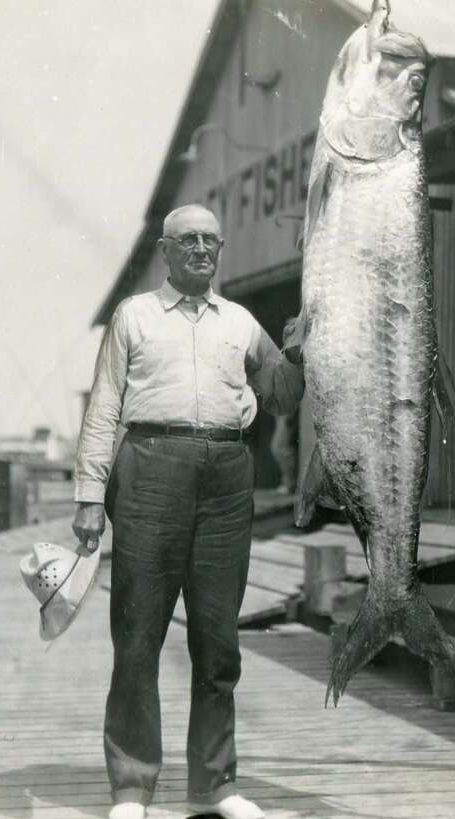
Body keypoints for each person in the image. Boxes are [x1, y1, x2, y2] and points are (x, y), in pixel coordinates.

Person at [73, 204, 304, 819]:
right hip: (150, 467)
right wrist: (90, 496)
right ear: (166, 250)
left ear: (220, 250)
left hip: (227, 474)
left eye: (211, 241)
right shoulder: (134, 315)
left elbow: (282, 396)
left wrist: (298, 351)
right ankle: (131, 787)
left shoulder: (242, 322)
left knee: (218, 638)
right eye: (189, 240)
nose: (202, 249)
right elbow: (103, 407)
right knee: (138, 633)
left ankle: (214, 786)